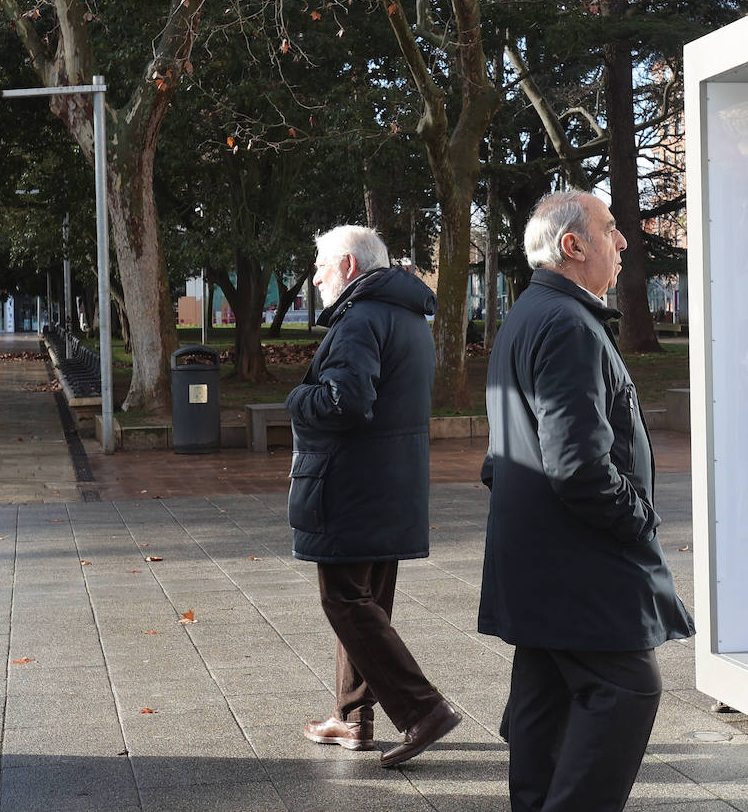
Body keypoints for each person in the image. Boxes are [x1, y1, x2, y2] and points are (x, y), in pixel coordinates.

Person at [478, 191, 696, 812]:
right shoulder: (568, 325)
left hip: (544, 562)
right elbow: (577, 466)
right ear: (573, 246)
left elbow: (504, 456)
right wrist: (638, 521)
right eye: (609, 229)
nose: (624, 241)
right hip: (582, 566)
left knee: (543, 706)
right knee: (627, 688)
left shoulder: (532, 314)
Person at [287, 224, 461, 768]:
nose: (314, 277)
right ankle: (353, 718)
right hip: (391, 484)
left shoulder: (359, 320)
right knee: (368, 604)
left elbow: (345, 402)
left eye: (320, 265)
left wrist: (297, 397)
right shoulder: (407, 317)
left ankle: (422, 709)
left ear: (349, 267)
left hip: (351, 486)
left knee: (344, 600)